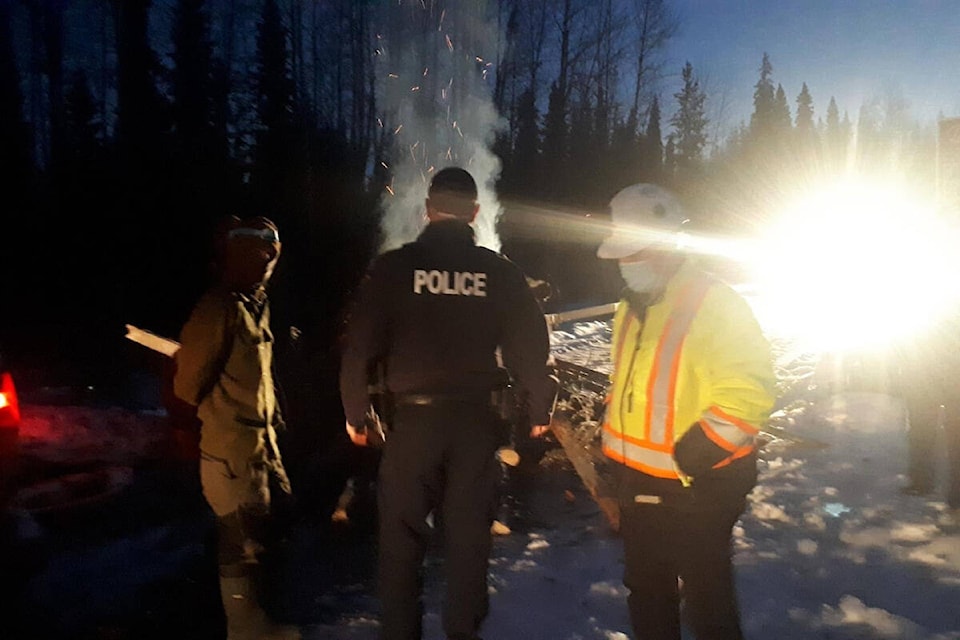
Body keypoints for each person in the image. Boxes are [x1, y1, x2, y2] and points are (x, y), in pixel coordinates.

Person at [339, 166, 556, 640]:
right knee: (469, 544)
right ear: (475, 213)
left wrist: (356, 414)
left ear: (427, 210)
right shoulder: (499, 272)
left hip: (412, 427)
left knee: (401, 545)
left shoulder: (393, 269)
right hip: (475, 427)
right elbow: (530, 348)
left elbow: (359, 348)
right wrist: (539, 410)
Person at [595, 183, 776, 640]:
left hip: (702, 486)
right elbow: (629, 387)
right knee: (647, 592)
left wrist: (696, 454)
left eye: (635, 253)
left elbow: (748, 392)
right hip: (640, 481)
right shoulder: (630, 306)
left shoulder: (716, 302)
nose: (625, 263)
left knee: (706, 598)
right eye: (622, 254)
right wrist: (612, 453)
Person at [173, 215, 299, 640]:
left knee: (263, 537)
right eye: (258, 254)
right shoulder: (218, 308)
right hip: (232, 453)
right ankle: (244, 629)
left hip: (262, 449)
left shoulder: (256, 304)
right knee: (238, 543)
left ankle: (259, 621)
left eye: (272, 254)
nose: (267, 261)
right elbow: (188, 387)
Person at [892, 319, 960, 508]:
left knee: (927, 434)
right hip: (927, 379)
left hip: (929, 379)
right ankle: (926, 483)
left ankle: (925, 483)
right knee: (925, 433)